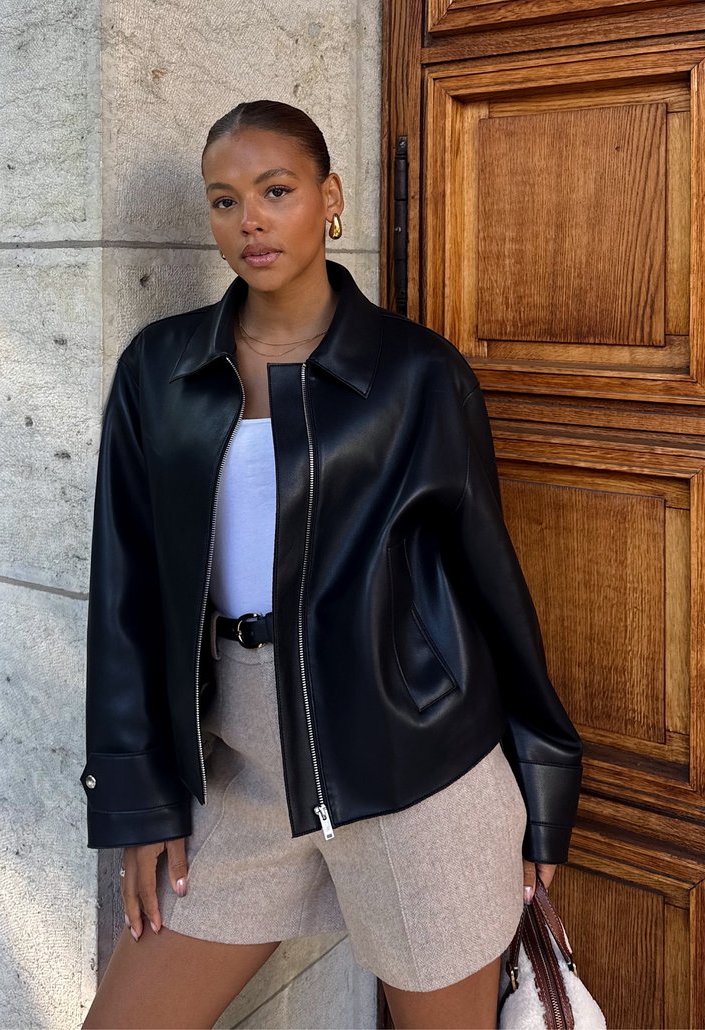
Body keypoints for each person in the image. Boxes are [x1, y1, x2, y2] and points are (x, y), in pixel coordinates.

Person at [79, 100, 583, 1030]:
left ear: (330, 198)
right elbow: (127, 590)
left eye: (276, 191)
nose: (252, 221)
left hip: (414, 770)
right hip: (239, 771)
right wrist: (137, 794)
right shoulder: (160, 370)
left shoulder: (417, 375)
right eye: (225, 201)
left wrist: (543, 789)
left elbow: (489, 585)